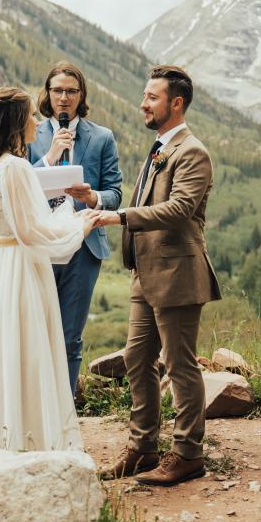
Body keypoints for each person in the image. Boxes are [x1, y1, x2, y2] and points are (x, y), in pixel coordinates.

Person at [0, 87, 102, 459]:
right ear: (18, 122)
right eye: (32, 115)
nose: (37, 122)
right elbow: (33, 231)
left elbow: (20, 224)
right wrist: (80, 226)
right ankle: (31, 443)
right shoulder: (16, 167)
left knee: (2, 352)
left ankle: (0, 436)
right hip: (20, 269)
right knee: (28, 351)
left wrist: (66, 220)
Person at [94, 65, 220, 486]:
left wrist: (119, 217)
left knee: (179, 365)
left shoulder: (192, 151)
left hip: (178, 275)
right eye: (145, 96)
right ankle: (144, 447)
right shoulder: (159, 147)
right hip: (144, 276)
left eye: (152, 97)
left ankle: (187, 453)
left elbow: (179, 208)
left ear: (176, 103)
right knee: (136, 358)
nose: (143, 103)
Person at [29, 62, 123, 394]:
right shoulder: (31, 134)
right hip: (40, 244)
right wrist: (50, 158)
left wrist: (93, 196)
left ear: (81, 95)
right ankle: (37, 409)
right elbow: (18, 186)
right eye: (58, 91)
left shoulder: (101, 137)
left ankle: (65, 411)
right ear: (47, 93)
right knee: (37, 330)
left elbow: (115, 192)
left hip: (83, 246)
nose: (64, 98)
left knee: (71, 335)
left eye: (71, 91)